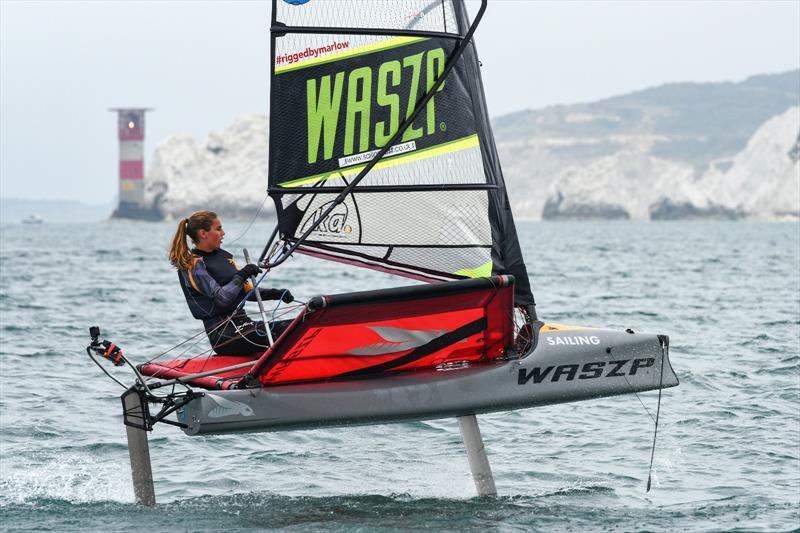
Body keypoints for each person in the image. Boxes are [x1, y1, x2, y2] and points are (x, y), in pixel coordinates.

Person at [168, 210, 294, 356]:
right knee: (288, 329)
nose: (223, 233)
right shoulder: (194, 265)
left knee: (298, 323)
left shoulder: (223, 257)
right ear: (203, 233)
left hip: (244, 325)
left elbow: (246, 292)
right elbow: (222, 299)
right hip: (224, 336)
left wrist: (277, 294)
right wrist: (242, 275)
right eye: (218, 228)